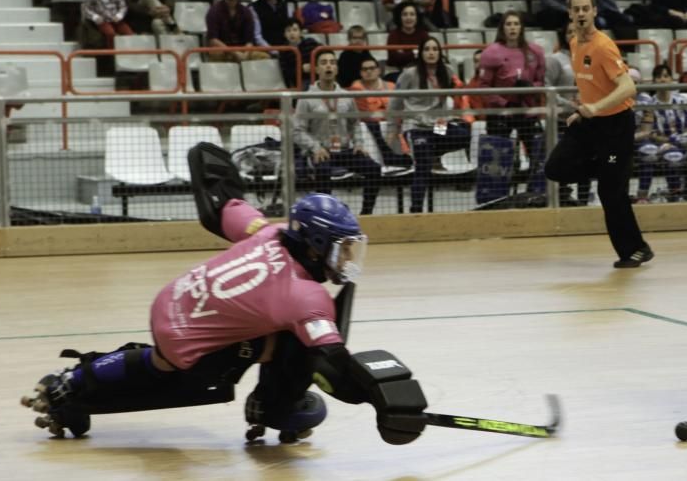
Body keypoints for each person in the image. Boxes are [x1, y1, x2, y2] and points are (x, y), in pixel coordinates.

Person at [22, 145, 428, 444]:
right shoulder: (306, 296)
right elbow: (332, 360)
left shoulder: (268, 231)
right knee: (297, 345)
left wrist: (211, 164)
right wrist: (377, 397)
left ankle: (72, 382)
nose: (346, 259)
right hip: (190, 344)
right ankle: (275, 408)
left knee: (179, 354)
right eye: (341, 249)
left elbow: (227, 209)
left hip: (173, 299)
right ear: (316, 245)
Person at [544, 0, 654, 268]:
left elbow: (628, 86)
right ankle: (610, 168)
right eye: (576, 9)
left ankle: (636, 250)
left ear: (594, 12)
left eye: (586, 9)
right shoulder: (573, 44)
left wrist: (596, 107)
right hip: (590, 121)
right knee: (555, 168)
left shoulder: (604, 46)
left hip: (616, 124)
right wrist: (583, 109)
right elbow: (590, 84)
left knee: (611, 192)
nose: (581, 14)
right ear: (570, 14)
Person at [387, 37, 471, 214]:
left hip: (437, 127)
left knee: (463, 135)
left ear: (440, 53)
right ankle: (416, 210)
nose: (431, 53)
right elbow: (395, 103)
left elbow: (446, 101)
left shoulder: (447, 71)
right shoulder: (409, 74)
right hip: (416, 127)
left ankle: (431, 152)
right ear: (421, 53)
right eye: (427, 49)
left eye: (435, 49)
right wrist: (392, 129)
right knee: (423, 167)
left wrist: (445, 117)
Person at [294, 50, 383, 215]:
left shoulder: (346, 96)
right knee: (323, 171)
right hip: (320, 151)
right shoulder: (306, 98)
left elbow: (355, 123)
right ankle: (325, 215)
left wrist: (358, 143)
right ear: (317, 69)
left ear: (337, 69)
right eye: (324, 62)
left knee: (374, 169)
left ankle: (366, 214)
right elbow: (298, 130)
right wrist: (315, 147)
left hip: (344, 149)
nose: (329, 65)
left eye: (332, 62)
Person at [478, 11, 547, 195]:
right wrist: (503, 102)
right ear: (502, 28)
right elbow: (483, 86)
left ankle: (535, 194)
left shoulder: (535, 51)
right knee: (498, 158)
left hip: (527, 111)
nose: (513, 28)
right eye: (509, 24)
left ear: (522, 27)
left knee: (538, 153)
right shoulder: (491, 53)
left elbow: (542, 82)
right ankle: (496, 196)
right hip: (501, 113)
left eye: (516, 24)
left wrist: (530, 86)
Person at [636, 63, 687, 202]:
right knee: (673, 155)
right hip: (664, 144)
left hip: (685, 142)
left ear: (671, 80)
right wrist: (671, 141)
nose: (663, 80)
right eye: (659, 77)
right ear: (654, 81)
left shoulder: (681, 100)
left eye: (666, 76)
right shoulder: (650, 104)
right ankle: (675, 194)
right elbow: (652, 134)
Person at [349, 55, 413, 169]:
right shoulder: (356, 88)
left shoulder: (391, 86)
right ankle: (395, 157)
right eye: (365, 69)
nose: (369, 71)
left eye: (372, 68)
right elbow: (364, 112)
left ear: (378, 70)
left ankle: (434, 159)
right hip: (377, 124)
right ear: (360, 72)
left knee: (440, 132)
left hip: (432, 123)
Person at [205, 0, 269, 62]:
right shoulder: (214, 11)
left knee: (264, 56)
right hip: (223, 50)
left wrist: (246, 53)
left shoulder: (246, 12)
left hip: (242, 50)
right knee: (216, 54)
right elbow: (213, 40)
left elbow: (249, 40)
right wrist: (234, 52)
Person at [385, 1, 430, 74]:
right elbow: (394, 58)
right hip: (397, 71)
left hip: (420, 70)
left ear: (417, 17)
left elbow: (427, 54)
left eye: (412, 14)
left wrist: (404, 54)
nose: (408, 18)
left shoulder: (423, 34)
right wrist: (416, 53)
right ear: (400, 17)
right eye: (405, 14)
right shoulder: (393, 35)